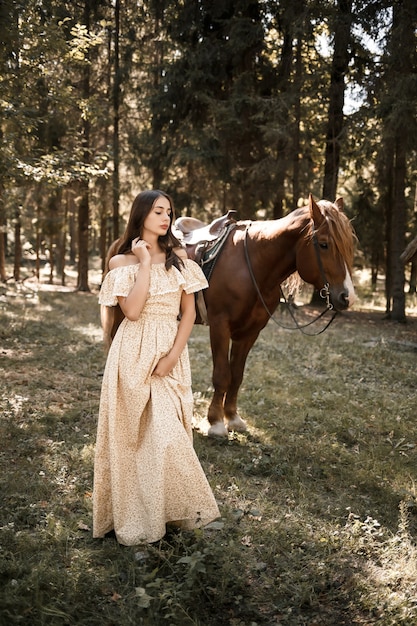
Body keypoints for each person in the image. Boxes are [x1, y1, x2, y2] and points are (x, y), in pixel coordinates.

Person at [93, 190, 220, 545]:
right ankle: (136, 518)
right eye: (157, 211)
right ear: (141, 215)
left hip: (169, 351)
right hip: (132, 353)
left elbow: (190, 312)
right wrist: (145, 263)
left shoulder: (181, 259)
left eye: (169, 212)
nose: (166, 218)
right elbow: (131, 312)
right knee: (133, 438)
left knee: (168, 436)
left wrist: (172, 356)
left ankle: (169, 511)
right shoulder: (121, 263)